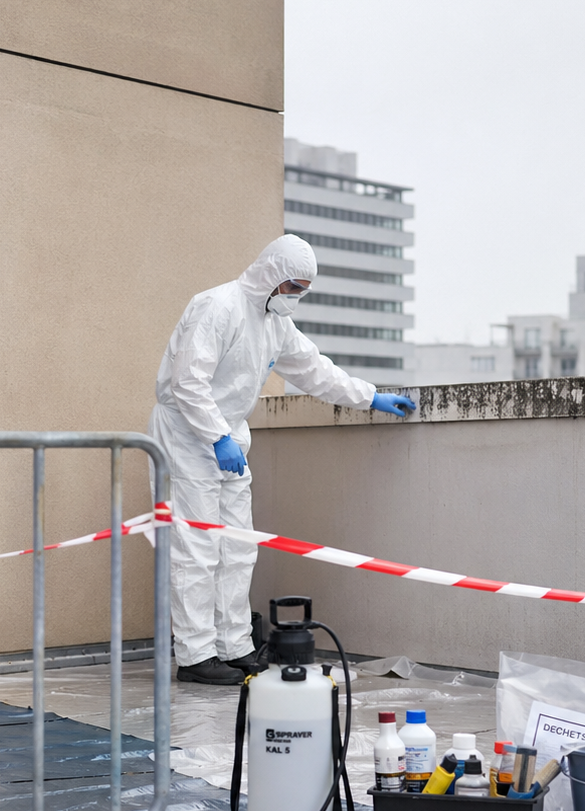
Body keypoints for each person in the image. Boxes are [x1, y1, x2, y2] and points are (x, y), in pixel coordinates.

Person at [150, 235, 415, 684]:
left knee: (238, 547)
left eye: (302, 290)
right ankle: (195, 656)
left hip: (229, 438)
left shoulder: (275, 323)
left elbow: (314, 370)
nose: (295, 296)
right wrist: (215, 435)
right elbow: (187, 381)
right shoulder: (218, 306)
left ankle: (234, 646)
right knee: (197, 549)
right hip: (187, 436)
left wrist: (370, 396)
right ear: (271, 274)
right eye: (292, 286)